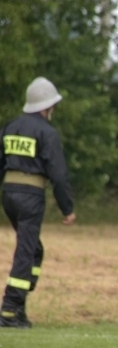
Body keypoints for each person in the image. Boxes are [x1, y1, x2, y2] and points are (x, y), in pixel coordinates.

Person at [1, 77, 76, 328]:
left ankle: (19, 307)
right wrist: (68, 208)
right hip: (31, 196)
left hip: (9, 195)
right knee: (26, 250)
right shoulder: (47, 133)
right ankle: (10, 310)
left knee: (34, 250)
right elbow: (58, 174)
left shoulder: (10, 127)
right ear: (47, 107)